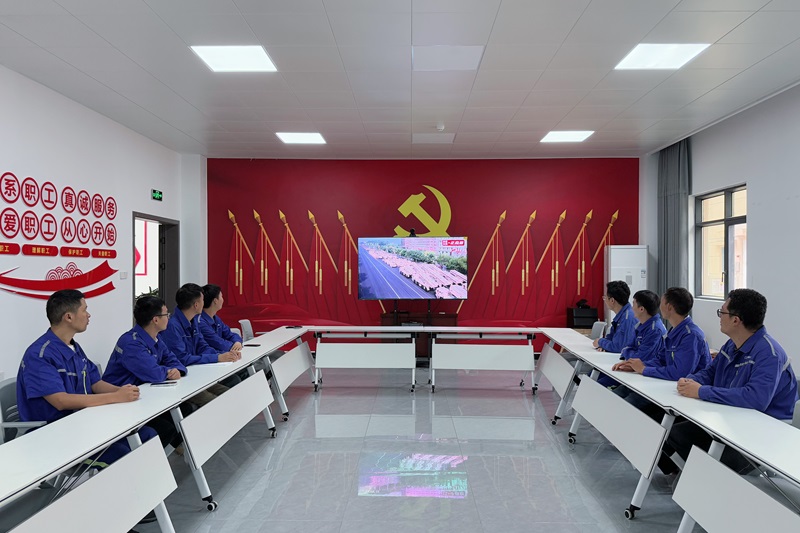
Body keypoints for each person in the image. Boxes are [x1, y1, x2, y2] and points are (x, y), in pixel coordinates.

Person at [658, 289, 798, 475]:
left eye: (722, 312)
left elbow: (755, 399)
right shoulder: (732, 344)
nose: (719, 317)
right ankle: (695, 479)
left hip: (763, 434)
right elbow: (711, 372)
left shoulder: (769, 354)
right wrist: (691, 380)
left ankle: (704, 482)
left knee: (705, 454)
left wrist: (701, 391)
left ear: (735, 320)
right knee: (674, 433)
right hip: (733, 418)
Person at [16, 290, 157, 469]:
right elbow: (60, 401)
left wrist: (126, 392)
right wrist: (115, 397)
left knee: (147, 435)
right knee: (123, 456)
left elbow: (95, 383)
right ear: (68, 317)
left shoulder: (73, 347)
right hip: (54, 437)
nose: (88, 315)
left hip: (83, 426)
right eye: (84, 310)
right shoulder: (40, 355)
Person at [103, 295, 190, 449]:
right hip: (122, 402)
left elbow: (174, 360)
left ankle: (176, 452)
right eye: (166, 314)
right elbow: (154, 373)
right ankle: (152, 459)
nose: (168, 318)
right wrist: (169, 370)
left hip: (144, 397)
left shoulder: (156, 338)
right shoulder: (131, 343)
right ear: (155, 320)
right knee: (166, 429)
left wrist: (177, 370)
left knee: (186, 410)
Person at [160, 283, 241, 402]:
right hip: (183, 378)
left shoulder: (193, 321)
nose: (204, 303)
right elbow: (182, 359)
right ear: (196, 305)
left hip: (197, 373)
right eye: (202, 300)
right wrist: (217, 357)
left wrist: (222, 355)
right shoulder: (172, 326)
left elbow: (202, 346)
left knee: (230, 394)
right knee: (215, 400)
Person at [616, 287, 710, 381]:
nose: (659, 307)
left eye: (661, 302)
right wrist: (636, 365)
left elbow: (680, 373)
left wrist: (644, 369)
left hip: (688, 386)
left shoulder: (691, 335)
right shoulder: (675, 330)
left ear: (669, 307)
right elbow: (661, 360)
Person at [611, 289, 667, 400]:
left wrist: (629, 357)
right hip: (636, 372)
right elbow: (627, 348)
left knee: (625, 401)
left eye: (633, 304)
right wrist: (630, 356)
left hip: (649, 378)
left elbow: (640, 358)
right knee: (613, 395)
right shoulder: (640, 325)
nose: (632, 308)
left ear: (641, 309)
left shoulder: (654, 329)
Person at [593, 281, 637, 353]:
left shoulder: (628, 317)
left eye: (605, 297)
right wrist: (604, 346)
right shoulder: (623, 315)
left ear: (612, 300)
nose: (604, 300)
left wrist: (600, 342)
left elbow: (619, 347)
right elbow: (612, 338)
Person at [198, 284, 243, 353]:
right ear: (215, 301)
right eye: (221, 297)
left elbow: (230, 334)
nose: (223, 300)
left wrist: (237, 341)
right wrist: (234, 346)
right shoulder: (200, 322)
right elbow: (217, 342)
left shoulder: (216, 318)